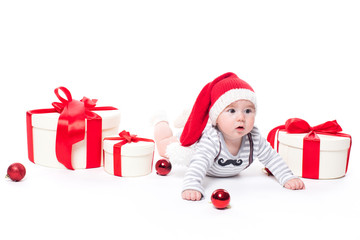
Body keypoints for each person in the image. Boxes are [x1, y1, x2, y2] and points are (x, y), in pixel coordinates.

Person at [154, 72, 305, 201]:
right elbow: (199, 163)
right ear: (217, 117)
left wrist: (287, 177)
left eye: (247, 111)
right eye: (232, 111)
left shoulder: (254, 138)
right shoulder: (212, 139)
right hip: (194, 147)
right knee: (165, 147)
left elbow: (271, 158)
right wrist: (191, 185)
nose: (241, 117)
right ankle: (160, 121)